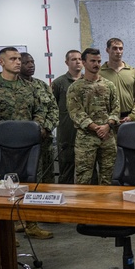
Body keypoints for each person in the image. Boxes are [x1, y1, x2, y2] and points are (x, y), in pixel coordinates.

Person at [0, 46, 53, 239]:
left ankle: (31, 223)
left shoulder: (29, 86)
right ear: (1, 62)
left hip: (29, 148)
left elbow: (40, 111)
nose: (18, 62)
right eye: (13, 59)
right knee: (4, 187)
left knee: (30, 185)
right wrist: (17, 137)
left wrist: (34, 131)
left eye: (19, 58)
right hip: (3, 148)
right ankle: (7, 230)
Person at [67, 48, 120, 185]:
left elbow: (116, 109)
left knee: (108, 177)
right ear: (84, 62)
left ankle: (107, 206)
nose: (96, 64)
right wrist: (96, 128)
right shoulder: (75, 87)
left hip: (107, 137)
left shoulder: (109, 85)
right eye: (92, 61)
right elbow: (76, 112)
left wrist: (107, 126)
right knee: (84, 179)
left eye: (98, 61)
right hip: (86, 139)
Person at [19, 52, 58, 184]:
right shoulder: (15, 87)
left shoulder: (42, 86)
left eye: (32, 62)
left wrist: (46, 128)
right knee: (29, 179)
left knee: (48, 179)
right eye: (26, 63)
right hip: (24, 144)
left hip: (45, 141)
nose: (31, 65)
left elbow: (53, 110)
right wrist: (32, 131)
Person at [51, 50, 83, 184]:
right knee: (67, 170)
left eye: (80, 59)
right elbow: (52, 106)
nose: (77, 62)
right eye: (74, 59)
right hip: (67, 132)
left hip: (85, 132)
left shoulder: (88, 81)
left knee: (87, 171)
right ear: (67, 62)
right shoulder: (59, 83)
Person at [100, 37, 135, 124]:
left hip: (129, 119)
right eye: (114, 48)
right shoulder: (100, 73)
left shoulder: (133, 72)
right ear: (107, 50)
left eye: (120, 48)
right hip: (107, 121)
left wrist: (132, 116)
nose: (118, 51)